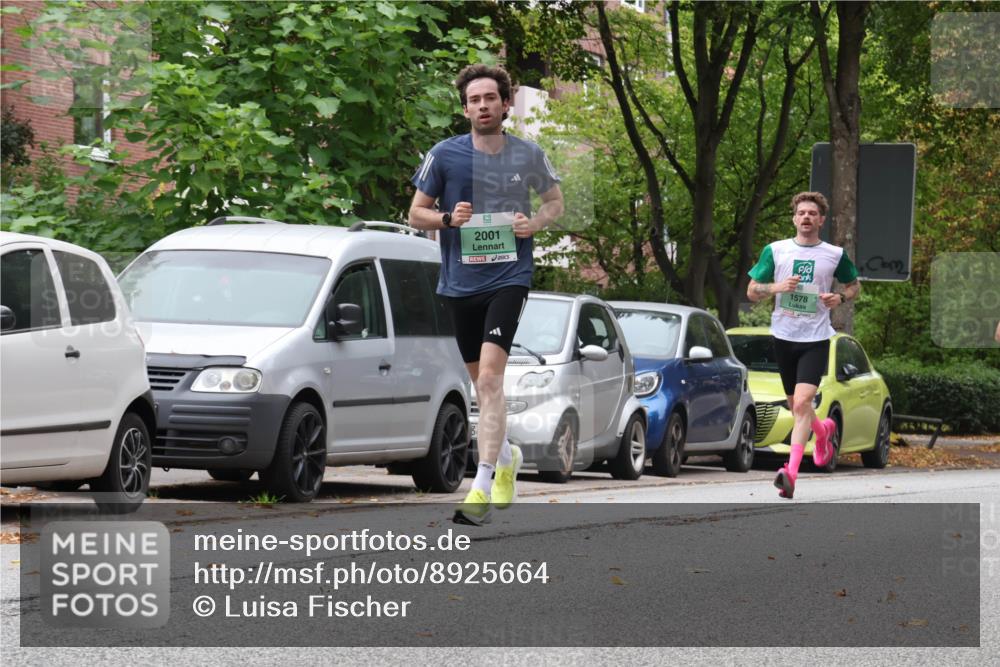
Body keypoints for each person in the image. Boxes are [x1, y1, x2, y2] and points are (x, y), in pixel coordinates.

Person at [408, 64, 564, 524]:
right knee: (482, 387)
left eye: (490, 98)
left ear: (505, 103)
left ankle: (481, 484)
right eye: (474, 100)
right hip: (459, 283)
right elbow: (417, 213)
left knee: (492, 381)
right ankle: (509, 454)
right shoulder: (445, 155)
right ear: (465, 108)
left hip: (508, 278)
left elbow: (555, 201)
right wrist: (447, 220)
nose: (482, 106)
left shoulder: (528, 154)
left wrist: (534, 223)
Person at [746, 191, 860, 499]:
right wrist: (777, 287)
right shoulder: (776, 251)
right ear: (794, 218)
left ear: (821, 220)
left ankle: (791, 473)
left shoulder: (834, 254)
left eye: (813, 213)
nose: (806, 217)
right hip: (784, 336)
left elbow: (854, 286)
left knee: (800, 405)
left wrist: (841, 298)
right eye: (802, 213)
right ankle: (824, 432)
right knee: (799, 406)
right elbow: (752, 291)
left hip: (815, 338)